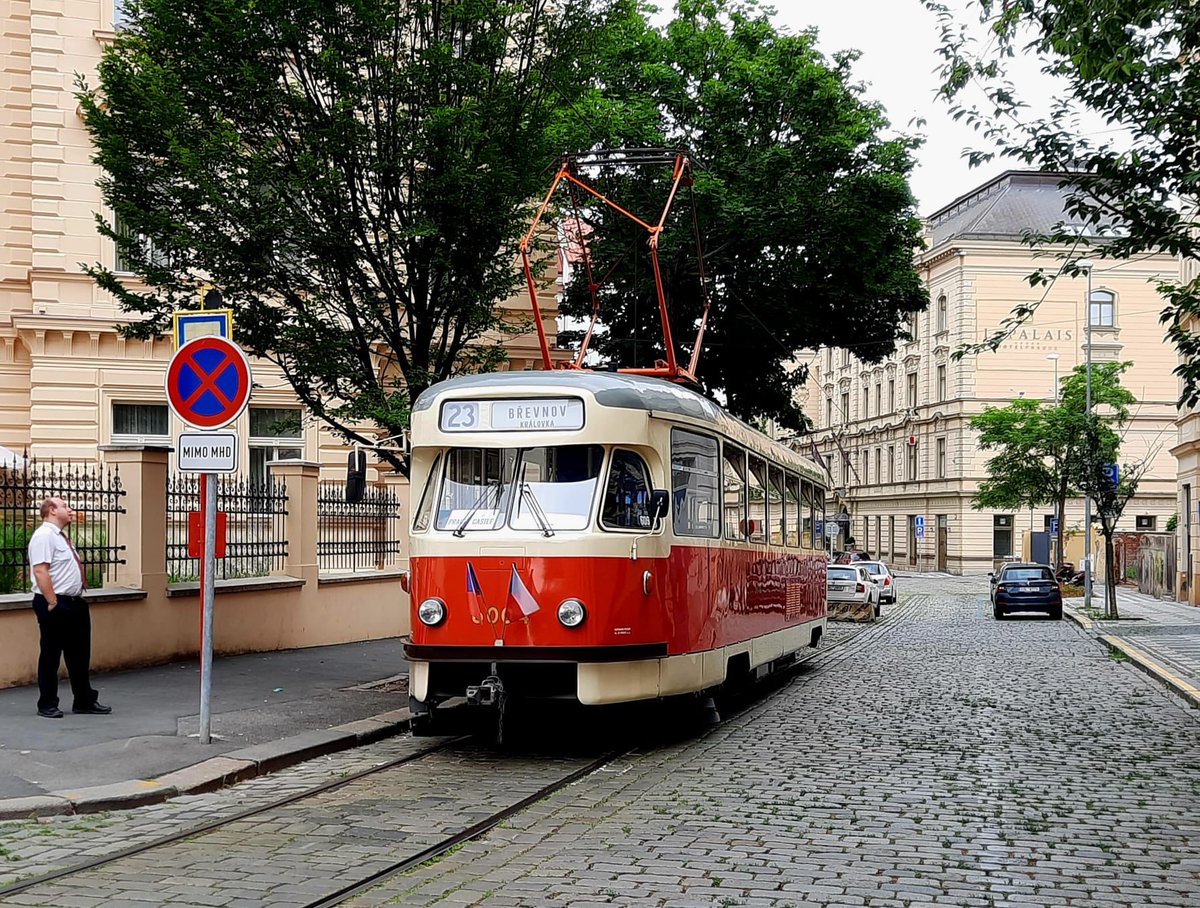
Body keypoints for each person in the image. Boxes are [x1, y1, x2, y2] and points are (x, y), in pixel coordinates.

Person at [28, 497, 111, 718]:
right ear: (52, 510)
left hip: (74, 602)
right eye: (65, 506)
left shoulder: (60, 537)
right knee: (51, 655)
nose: (71, 509)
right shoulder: (44, 536)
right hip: (56, 602)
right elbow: (40, 571)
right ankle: (47, 703)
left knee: (79, 654)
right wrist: (53, 601)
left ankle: (84, 700)